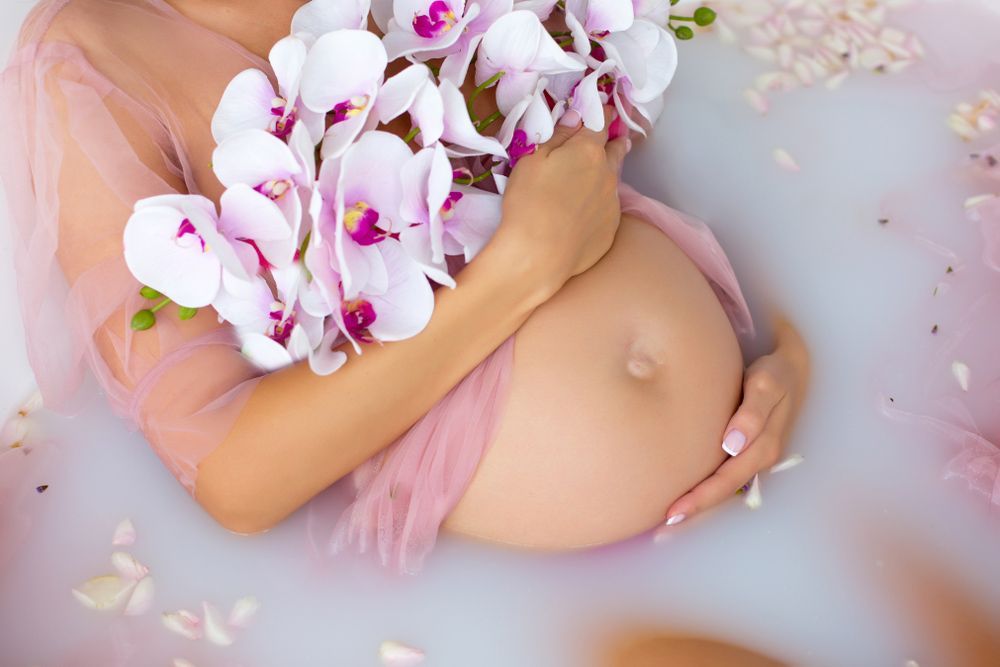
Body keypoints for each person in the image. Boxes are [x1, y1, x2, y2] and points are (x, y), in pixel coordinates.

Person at [0, 0, 809, 573]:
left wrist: (793, 348)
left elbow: (646, 131)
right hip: (538, 603)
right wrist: (523, 268)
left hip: (780, 472)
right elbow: (232, 478)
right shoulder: (90, 57)